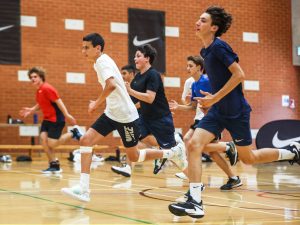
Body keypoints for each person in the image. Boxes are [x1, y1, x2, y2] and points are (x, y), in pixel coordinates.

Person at [168, 6, 300, 219]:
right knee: (193, 144)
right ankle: (195, 201)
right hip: (218, 110)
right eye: (198, 19)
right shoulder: (205, 51)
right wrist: (211, 100)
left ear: (213, 27)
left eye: (202, 20)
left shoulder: (220, 47)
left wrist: (215, 97)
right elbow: (221, 80)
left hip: (236, 111)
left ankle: (292, 151)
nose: (197, 22)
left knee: (248, 158)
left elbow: (239, 75)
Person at [61, 33, 186, 202]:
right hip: (112, 113)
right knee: (85, 140)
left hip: (126, 117)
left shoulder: (102, 62)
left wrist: (96, 103)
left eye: (86, 48)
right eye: (82, 47)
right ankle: (83, 189)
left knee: (133, 156)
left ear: (97, 48)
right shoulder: (101, 61)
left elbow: (111, 85)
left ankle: (170, 153)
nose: (83, 51)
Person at [170, 55, 241, 191]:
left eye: (190, 66)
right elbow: (192, 106)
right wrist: (178, 107)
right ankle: (233, 177)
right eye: (187, 65)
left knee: (190, 141)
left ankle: (227, 147)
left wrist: (213, 104)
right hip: (201, 119)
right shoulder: (195, 84)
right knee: (210, 151)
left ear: (199, 67)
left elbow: (221, 96)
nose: (187, 68)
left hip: (212, 119)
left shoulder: (208, 80)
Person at [19, 67, 82, 173]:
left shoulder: (47, 88)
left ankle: (73, 133)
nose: (33, 79)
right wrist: (32, 110)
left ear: (41, 77)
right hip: (47, 119)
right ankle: (54, 165)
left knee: (52, 144)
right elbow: (41, 103)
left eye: (35, 77)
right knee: (43, 140)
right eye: (31, 77)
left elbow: (58, 101)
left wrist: (67, 114)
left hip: (56, 119)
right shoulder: (39, 90)